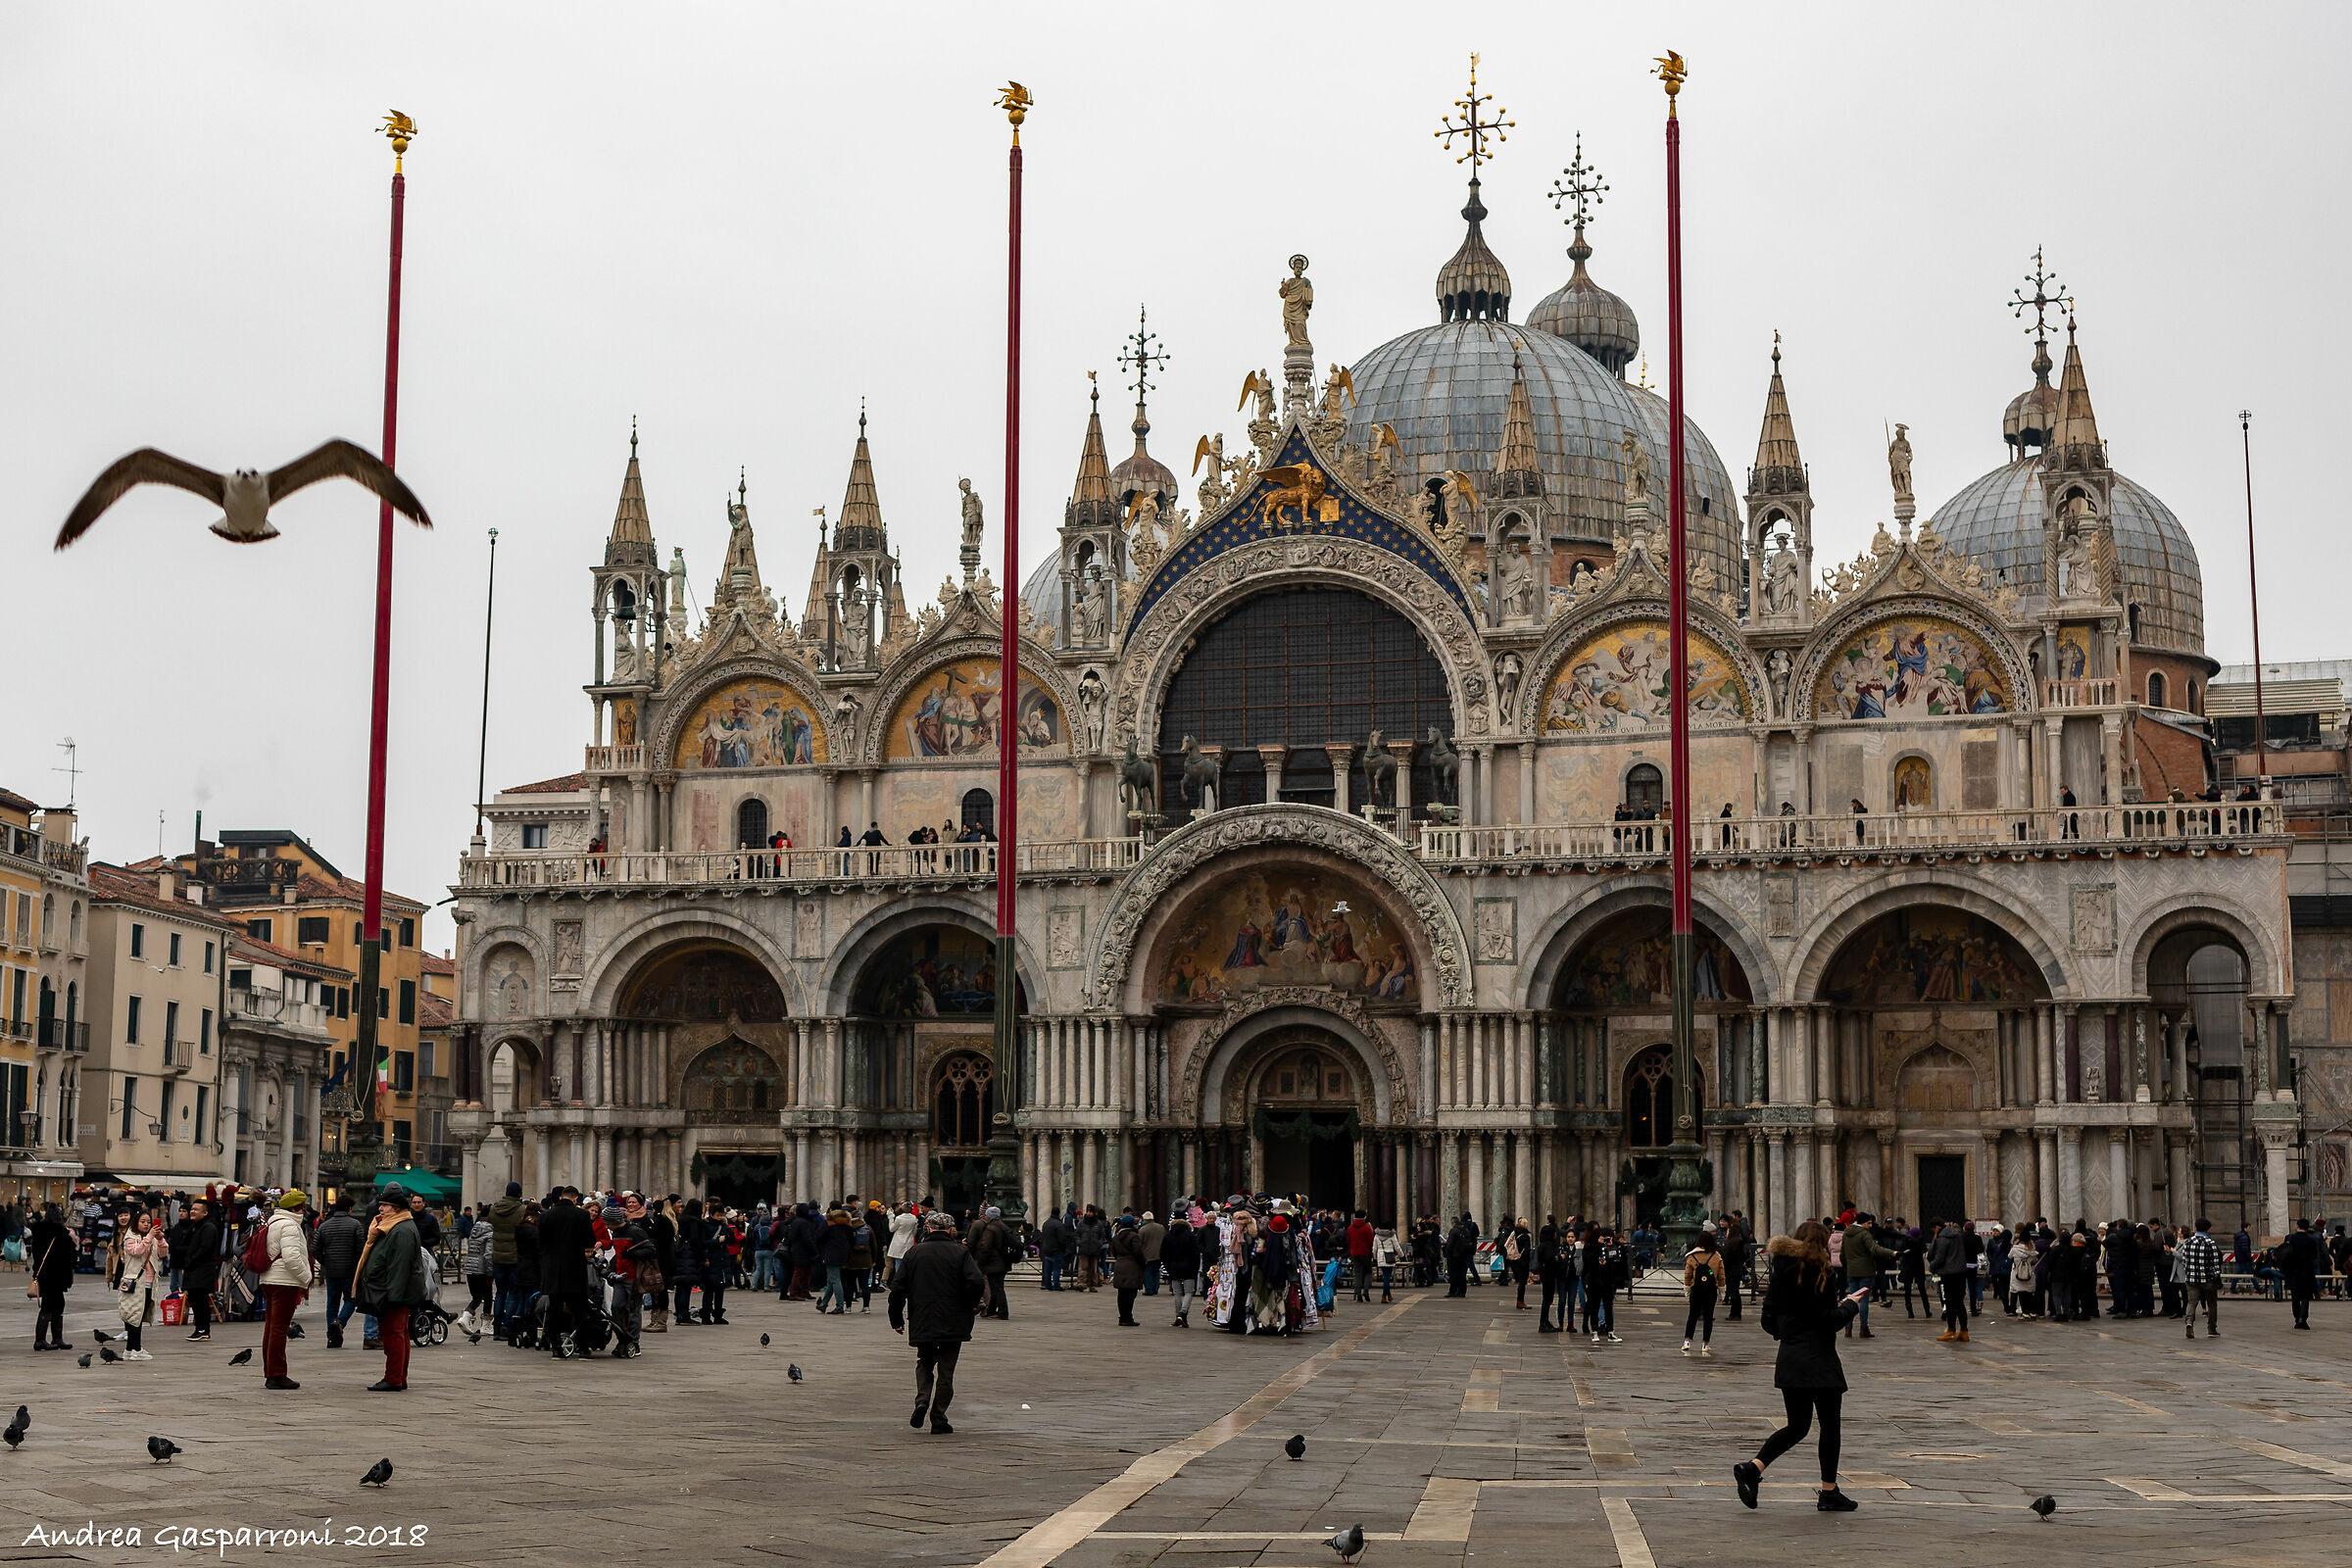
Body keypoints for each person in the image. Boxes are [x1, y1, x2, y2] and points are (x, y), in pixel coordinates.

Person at [1736, 1220, 1875, 1512]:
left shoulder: (1781, 1271)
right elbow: (1829, 1320)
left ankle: (1753, 1467)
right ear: (1822, 1244)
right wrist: (1850, 1304)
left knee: (1798, 1426)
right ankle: (1829, 1492)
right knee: (1830, 1426)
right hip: (1820, 1361)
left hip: (1791, 1359)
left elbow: (1767, 1320)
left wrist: (1790, 1334)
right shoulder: (1821, 1272)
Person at [890, 1210, 986, 1435]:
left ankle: (922, 1399)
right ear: (952, 1230)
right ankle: (939, 1417)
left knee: (924, 1362)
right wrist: (970, 1304)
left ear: (928, 1228)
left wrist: (896, 1318)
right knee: (946, 1371)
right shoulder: (960, 1252)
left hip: (923, 1318)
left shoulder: (914, 1253)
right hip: (954, 1319)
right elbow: (976, 1282)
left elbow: (898, 1289)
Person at [352, 1185, 425, 1391]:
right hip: (389, 1289)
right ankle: (398, 1377)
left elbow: (400, 1266)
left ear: (396, 1208)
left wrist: (394, 1296)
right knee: (397, 1334)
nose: (380, 1208)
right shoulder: (396, 1225)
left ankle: (393, 1378)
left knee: (393, 1335)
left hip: (392, 1292)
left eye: (384, 1205)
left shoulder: (401, 1229)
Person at [258, 1190, 316, 1389]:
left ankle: (271, 1372)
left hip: (269, 1279)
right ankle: (277, 1374)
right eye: (303, 1208)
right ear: (297, 1209)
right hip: (285, 1281)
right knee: (280, 1329)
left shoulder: (273, 1222)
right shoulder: (290, 1225)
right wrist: (306, 1277)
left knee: (271, 1327)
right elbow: (291, 1258)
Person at [536, 1187, 596, 1355]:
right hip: (574, 1268)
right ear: (575, 1198)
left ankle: (556, 1348)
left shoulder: (546, 1215)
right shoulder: (582, 1215)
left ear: (562, 1197)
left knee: (554, 1310)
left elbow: (541, 1243)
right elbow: (590, 1241)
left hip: (553, 1269)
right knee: (580, 1310)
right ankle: (583, 1349)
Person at [109, 1208, 168, 1361]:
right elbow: (136, 1251)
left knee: (138, 1317)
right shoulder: (130, 1237)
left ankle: (130, 1350)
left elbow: (162, 1253)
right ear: (136, 1222)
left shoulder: (151, 1237)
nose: (146, 1224)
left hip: (148, 1283)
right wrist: (150, 1236)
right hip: (135, 1283)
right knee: (134, 1316)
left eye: (149, 1222)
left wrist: (160, 1239)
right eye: (143, 1222)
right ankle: (136, 1349)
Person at [26, 1202, 76, 1351]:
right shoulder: (61, 1233)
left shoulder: (38, 1231)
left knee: (56, 1304)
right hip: (56, 1276)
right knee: (51, 1306)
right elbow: (70, 1254)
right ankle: (41, 1340)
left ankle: (55, 1338)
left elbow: (37, 1255)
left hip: (44, 1275)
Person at [1838, 1214, 1891, 1340]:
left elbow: (1842, 1255)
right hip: (1865, 1271)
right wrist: (1892, 1253)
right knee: (1863, 1300)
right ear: (1862, 1223)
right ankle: (1864, 1328)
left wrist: (1847, 1268)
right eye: (1869, 1223)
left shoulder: (1846, 1234)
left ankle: (1848, 1329)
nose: (1871, 1225)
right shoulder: (1864, 1234)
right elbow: (1874, 1249)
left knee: (1851, 1299)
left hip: (1851, 1271)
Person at [176, 1196, 221, 1343]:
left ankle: (203, 1330)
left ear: (205, 1213)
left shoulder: (208, 1227)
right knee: (194, 1299)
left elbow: (204, 1249)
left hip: (202, 1270)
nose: (192, 1212)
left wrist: (191, 1260)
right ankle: (200, 1329)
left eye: (196, 1209)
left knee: (200, 1300)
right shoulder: (196, 1227)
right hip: (194, 1270)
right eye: (192, 1209)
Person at [486, 1181, 526, 1338]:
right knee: (513, 1293)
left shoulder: (494, 1209)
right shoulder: (521, 1210)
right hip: (514, 1256)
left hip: (498, 1255)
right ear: (519, 1194)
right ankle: (507, 1325)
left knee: (500, 1292)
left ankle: (496, 1325)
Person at [1927, 1218, 1970, 1343]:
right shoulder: (1958, 1236)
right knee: (1959, 1303)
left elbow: (1938, 1257)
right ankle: (1964, 1331)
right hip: (1961, 1272)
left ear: (1936, 1227)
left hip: (1949, 1274)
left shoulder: (1942, 1239)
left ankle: (1951, 1331)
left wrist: (1931, 1267)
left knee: (1950, 1302)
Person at [1683, 1229, 1727, 1354]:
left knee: (1692, 1315)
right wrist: (1722, 1292)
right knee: (1708, 1317)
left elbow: (1688, 1275)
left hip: (1696, 1289)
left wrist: (1687, 1290)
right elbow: (1721, 1276)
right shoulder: (1716, 1256)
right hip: (1711, 1290)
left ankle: (1687, 1341)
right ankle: (1705, 1344)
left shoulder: (1692, 1256)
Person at [968, 1204, 1013, 1320]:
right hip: (1002, 1261)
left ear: (989, 1217)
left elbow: (985, 1247)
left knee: (997, 1288)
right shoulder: (1003, 1226)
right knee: (995, 1287)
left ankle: (1003, 1312)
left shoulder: (990, 1229)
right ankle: (991, 1311)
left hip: (994, 1263)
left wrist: (980, 1262)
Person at [2179, 1217, 2222, 1338]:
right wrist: (2216, 1276)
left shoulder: (2188, 1242)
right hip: (2208, 1279)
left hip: (2191, 1279)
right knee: (2211, 1303)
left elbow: (2184, 1260)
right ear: (2208, 1229)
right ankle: (2211, 1329)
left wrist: (2189, 1272)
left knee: (2192, 1302)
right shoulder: (2210, 1243)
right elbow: (2215, 1263)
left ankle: (2189, 1323)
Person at [2278, 1217, 2325, 1330]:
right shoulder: (2311, 1240)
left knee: (2295, 1296)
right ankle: (2302, 1319)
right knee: (2305, 1296)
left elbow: (2284, 1253)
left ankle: (2296, 1318)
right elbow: (2314, 1256)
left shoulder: (2290, 1238)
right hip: (2306, 1271)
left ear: (2297, 1226)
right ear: (2307, 1228)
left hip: (2292, 1271)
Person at [1160, 1208, 1200, 1327]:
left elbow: (1163, 1253)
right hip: (1189, 1268)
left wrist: (1168, 1267)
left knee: (1177, 1293)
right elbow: (1195, 1253)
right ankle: (1183, 1313)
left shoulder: (1168, 1236)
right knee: (1189, 1292)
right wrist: (1195, 1267)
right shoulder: (1190, 1235)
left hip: (1173, 1267)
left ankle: (1178, 1316)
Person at [460, 1204, 495, 1337]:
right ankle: (485, 1325)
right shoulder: (490, 1232)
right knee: (488, 1296)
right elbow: (488, 1255)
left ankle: (466, 1317)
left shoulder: (474, 1229)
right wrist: (490, 1273)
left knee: (477, 1297)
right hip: (482, 1269)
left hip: (470, 1267)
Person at [815, 1204, 854, 1313]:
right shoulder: (847, 1223)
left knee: (835, 1280)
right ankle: (823, 1304)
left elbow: (817, 1236)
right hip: (843, 1253)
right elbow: (851, 1239)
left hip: (830, 1253)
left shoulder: (828, 1223)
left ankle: (839, 1306)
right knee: (831, 1280)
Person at [1110, 1212, 1147, 1326]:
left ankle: (1122, 1317)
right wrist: (1143, 1263)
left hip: (1120, 1265)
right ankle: (1128, 1317)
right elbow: (1138, 1252)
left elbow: (1113, 1252)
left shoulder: (1116, 1237)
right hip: (1132, 1267)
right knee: (1130, 1294)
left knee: (1121, 1294)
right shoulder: (1133, 1236)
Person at [1444, 1212, 1477, 1298]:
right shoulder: (1466, 1230)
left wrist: (1447, 1255)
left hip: (1454, 1256)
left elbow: (1449, 1245)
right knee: (1462, 1274)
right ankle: (1462, 1292)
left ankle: (1453, 1291)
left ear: (1453, 1223)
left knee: (1453, 1274)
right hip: (1464, 1255)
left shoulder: (1453, 1231)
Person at [1036, 1206, 1068, 1292]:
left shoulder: (1046, 1223)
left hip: (1046, 1249)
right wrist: (1063, 1248)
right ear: (1058, 1214)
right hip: (1056, 1249)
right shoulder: (1059, 1224)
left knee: (1047, 1269)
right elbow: (1062, 1238)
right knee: (1056, 1269)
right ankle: (1056, 1285)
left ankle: (1047, 1285)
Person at [1347, 1209, 1375, 1303]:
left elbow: (1349, 1241)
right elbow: (1371, 1241)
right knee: (1368, 1272)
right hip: (1365, 1253)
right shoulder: (1366, 1228)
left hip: (1354, 1253)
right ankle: (1366, 1290)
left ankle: (1358, 1293)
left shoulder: (1350, 1228)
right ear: (1364, 1217)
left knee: (1357, 1274)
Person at [1140, 1210, 1168, 1297]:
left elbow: (1140, 1243)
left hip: (1147, 1254)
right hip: (1159, 1253)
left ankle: (1149, 1289)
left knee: (1148, 1272)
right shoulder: (1161, 1227)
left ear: (1144, 1219)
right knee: (1156, 1271)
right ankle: (1156, 1288)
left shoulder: (1143, 1229)